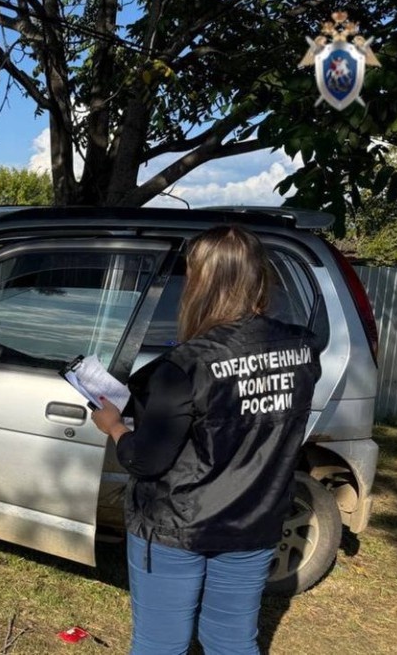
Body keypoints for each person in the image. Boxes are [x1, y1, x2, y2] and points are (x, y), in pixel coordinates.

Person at [90, 225, 322, 655]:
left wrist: (114, 426)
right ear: (258, 278)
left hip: (176, 526)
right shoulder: (303, 350)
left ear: (200, 283)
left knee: (160, 645)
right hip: (255, 519)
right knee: (232, 641)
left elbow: (145, 461)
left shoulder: (182, 367)